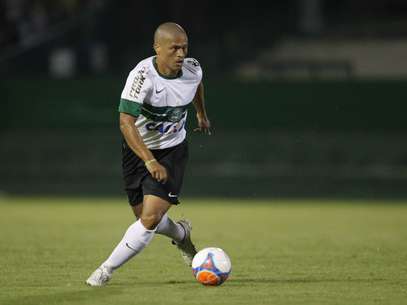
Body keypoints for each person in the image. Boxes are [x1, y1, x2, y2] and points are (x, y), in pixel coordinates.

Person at [86, 22, 211, 286]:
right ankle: (181, 234)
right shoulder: (141, 77)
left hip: (173, 151)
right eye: (174, 48)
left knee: (150, 219)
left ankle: (105, 271)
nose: (180, 54)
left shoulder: (193, 68)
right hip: (138, 151)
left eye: (184, 48)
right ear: (157, 48)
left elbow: (197, 85)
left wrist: (201, 113)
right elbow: (125, 122)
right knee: (146, 218)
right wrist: (148, 159)